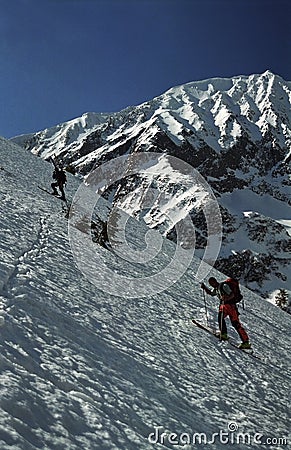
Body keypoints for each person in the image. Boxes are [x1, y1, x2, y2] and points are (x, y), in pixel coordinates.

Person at [201, 277, 251, 349]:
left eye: (212, 283)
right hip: (225, 306)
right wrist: (204, 288)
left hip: (230, 306)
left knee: (235, 324)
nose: (212, 285)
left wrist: (226, 298)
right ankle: (224, 334)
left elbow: (232, 294)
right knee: (221, 318)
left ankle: (245, 342)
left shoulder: (223, 286)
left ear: (215, 281)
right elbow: (211, 293)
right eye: (210, 284)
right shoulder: (217, 289)